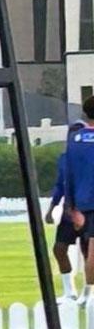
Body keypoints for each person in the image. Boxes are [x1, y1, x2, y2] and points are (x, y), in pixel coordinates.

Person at [45, 122, 87, 303]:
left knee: (88, 254)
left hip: (88, 211)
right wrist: (52, 208)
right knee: (59, 249)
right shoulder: (64, 158)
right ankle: (69, 291)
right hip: (69, 212)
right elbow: (60, 185)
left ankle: (88, 293)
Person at [64, 96, 94, 307]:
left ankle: (87, 294)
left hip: (83, 201)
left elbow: (69, 173)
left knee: (91, 248)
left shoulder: (74, 139)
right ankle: (89, 296)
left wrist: (71, 206)